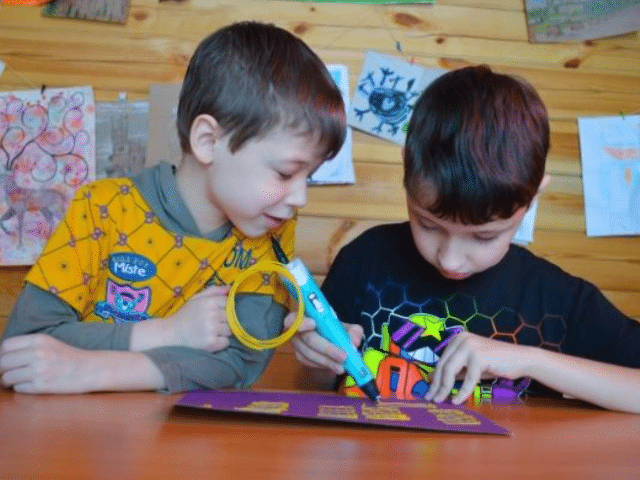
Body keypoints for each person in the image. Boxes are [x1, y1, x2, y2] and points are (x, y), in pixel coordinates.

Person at [0, 21, 346, 394]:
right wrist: (165, 333)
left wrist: (93, 369)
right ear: (209, 141)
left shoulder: (272, 230)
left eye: (308, 178)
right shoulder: (100, 207)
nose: (300, 198)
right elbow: (23, 349)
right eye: (285, 173)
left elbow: (238, 363)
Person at [288, 65, 640, 413]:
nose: (450, 259)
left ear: (532, 198)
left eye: (484, 236)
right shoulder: (364, 260)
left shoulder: (559, 300)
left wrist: (533, 361)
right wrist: (315, 357)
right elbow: (318, 389)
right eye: (428, 224)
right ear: (407, 173)